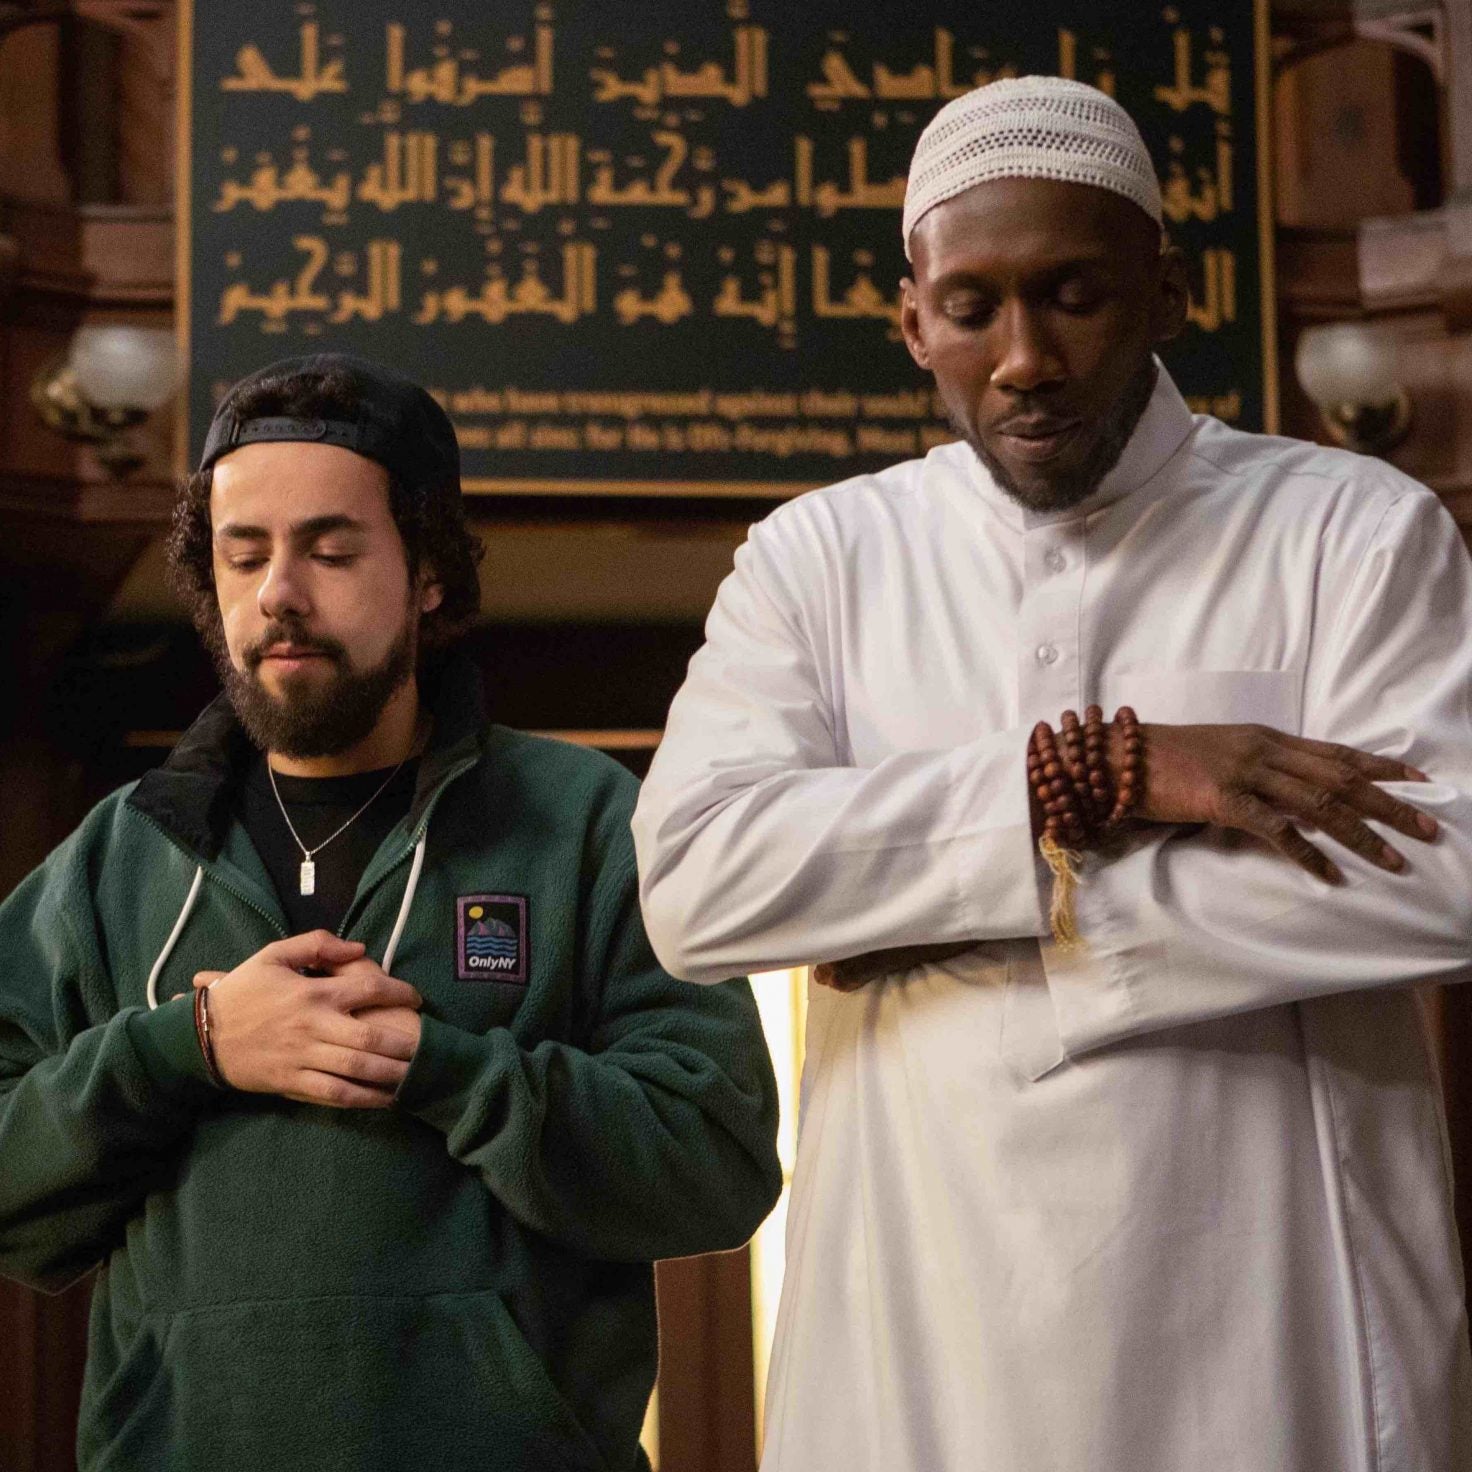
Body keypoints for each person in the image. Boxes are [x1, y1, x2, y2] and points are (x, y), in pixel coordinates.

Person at [632, 77, 1472, 1470]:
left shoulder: (1348, 532)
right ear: (914, 324)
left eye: (1074, 295)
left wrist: (968, 917)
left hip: (1275, 1331)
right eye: (972, 309)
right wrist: (1099, 778)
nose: (1024, 357)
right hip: (922, 1332)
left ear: (1168, 296)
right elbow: (695, 882)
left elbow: (1444, 870)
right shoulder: (821, 559)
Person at [0, 352, 781, 1471]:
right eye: (244, 554)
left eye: (330, 550)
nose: (279, 592)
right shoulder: (120, 855)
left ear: (428, 572)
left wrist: (444, 1069)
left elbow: (715, 1158)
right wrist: (190, 1045)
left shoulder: (581, 820)